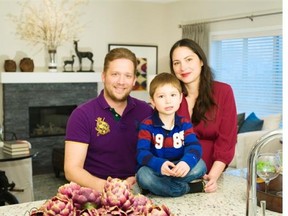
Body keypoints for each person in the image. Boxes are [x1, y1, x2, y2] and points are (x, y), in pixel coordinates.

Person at [64, 48, 153, 192]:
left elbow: (157, 154)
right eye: (115, 74)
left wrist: (139, 177)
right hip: (95, 194)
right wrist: (110, 188)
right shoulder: (81, 115)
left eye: (127, 75)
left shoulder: (146, 111)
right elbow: (72, 169)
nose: (121, 81)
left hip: (139, 189)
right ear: (104, 76)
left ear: (134, 80)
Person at [169, 38, 237, 193]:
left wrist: (212, 176)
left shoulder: (223, 92)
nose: (182, 67)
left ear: (201, 61)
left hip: (206, 173)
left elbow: (227, 140)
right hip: (175, 170)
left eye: (188, 59)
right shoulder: (170, 96)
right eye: (176, 62)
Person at [136, 72, 207, 197]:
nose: (168, 101)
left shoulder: (185, 123)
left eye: (173, 95)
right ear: (152, 101)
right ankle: (189, 188)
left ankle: (156, 188)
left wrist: (186, 162)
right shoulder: (147, 125)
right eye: (161, 96)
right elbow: (142, 154)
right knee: (143, 175)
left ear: (180, 98)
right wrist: (159, 164)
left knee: (201, 166)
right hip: (157, 169)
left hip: (179, 166)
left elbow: (195, 147)